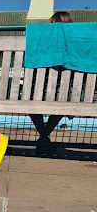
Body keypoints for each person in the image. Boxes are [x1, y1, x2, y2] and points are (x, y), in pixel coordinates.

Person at [29, 11, 74, 151]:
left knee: (31, 101)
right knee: (63, 103)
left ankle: (43, 137)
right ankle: (44, 137)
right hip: (62, 94)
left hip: (40, 92)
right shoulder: (74, 46)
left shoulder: (42, 45)